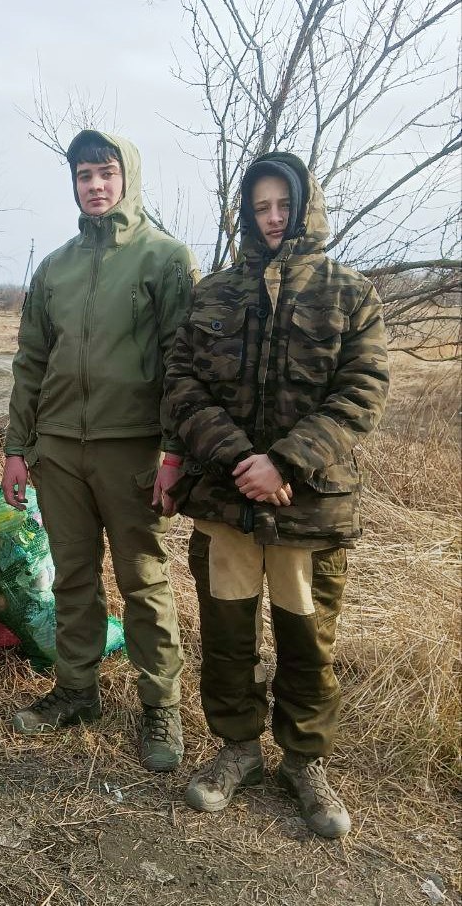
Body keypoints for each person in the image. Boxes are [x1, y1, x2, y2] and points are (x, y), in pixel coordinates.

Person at [162, 152, 389, 837]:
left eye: (282, 206)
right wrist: (238, 458)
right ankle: (236, 750)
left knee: (306, 642)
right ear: (246, 212)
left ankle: (303, 761)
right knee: (226, 638)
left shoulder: (351, 294)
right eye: (260, 207)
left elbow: (364, 391)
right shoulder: (214, 293)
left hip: (310, 504)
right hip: (228, 501)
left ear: (304, 206)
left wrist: (285, 460)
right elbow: (181, 383)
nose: (271, 219)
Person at [1, 130, 200, 772]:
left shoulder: (165, 259)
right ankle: (76, 690)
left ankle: (159, 707)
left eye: (106, 173)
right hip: (58, 449)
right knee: (73, 575)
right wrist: (17, 448)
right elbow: (30, 362)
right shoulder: (55, 266)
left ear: (127, 177)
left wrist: (175, 452)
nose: (95, 185)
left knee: (143, 579)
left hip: (133, 450)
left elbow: (185, 365)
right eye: (85, 175)